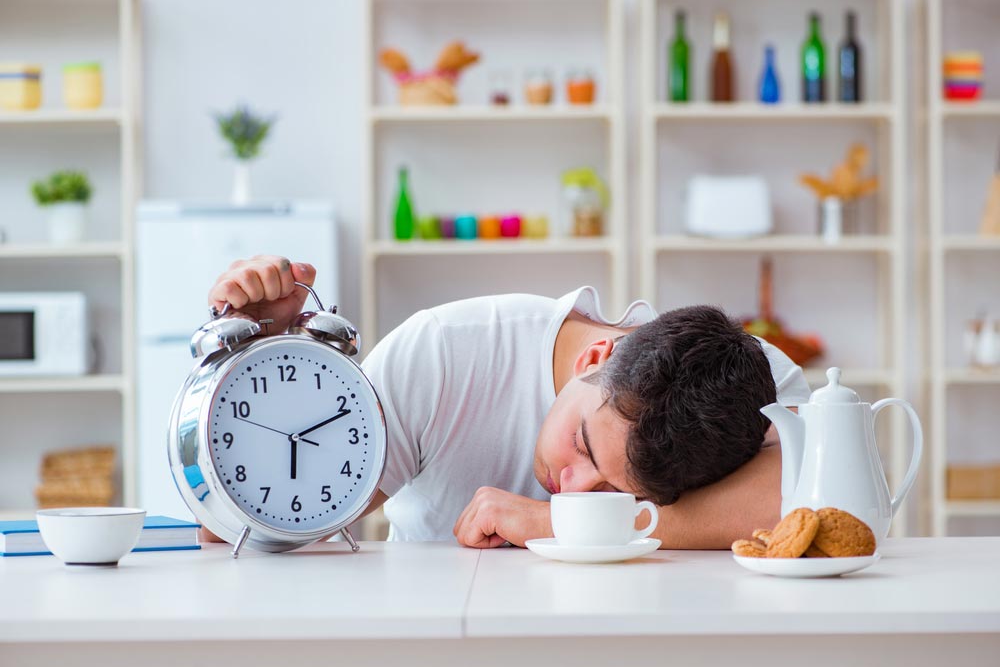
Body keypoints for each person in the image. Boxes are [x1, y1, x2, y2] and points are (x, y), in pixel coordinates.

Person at [206, 255, 810, 549]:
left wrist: (550, 524)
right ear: (593, 359)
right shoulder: (446, 353)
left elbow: (824, 503)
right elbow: (247, 538)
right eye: (581, 443)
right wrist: (252, 368)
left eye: (620, 496)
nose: (574, 487)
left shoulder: (751, 385)